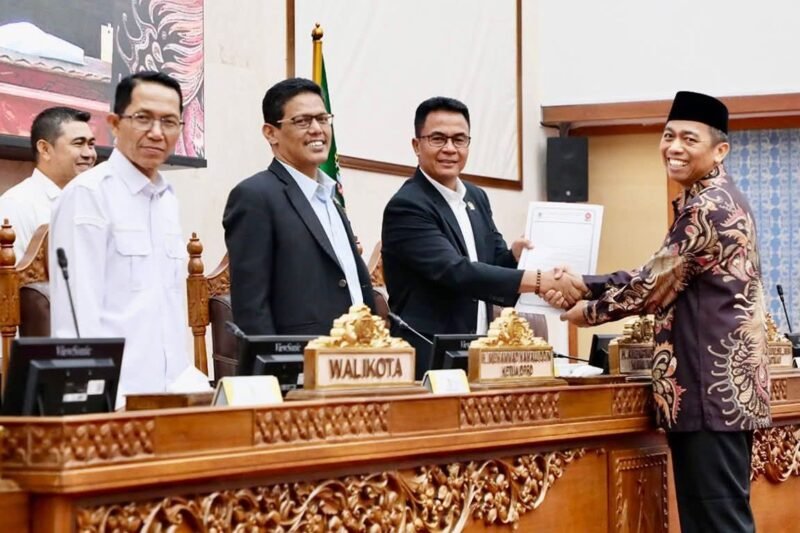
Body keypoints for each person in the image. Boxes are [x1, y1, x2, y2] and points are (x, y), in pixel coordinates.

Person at [556, 91, 770, 533]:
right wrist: (589, 282)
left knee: (717, 522)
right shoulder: (717, 198)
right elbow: (662, 270)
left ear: (719, 149)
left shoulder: (708, 206)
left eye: (688, 139)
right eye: (668, 135)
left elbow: (651, 286)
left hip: (709, 389)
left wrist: (587, 311)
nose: (673, 147)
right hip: (718, 391)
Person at [381, 96, 585, 377]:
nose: (450, 149)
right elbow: (456, 272)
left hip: (478, 349)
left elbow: (492, 260)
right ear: (417, 145)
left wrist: (515, 255)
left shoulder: (476, 197)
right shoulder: (407, 205)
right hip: (429, 355)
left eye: (459, 139)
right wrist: (540, 280)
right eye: (438, 139)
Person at [49, 71, 191, 406]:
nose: (157, 133)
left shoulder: (168, 200)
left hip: (172, 396)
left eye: (169, 122)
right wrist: (92, 404)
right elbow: (75, 321)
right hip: (116, 401)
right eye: (143, 118)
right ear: (114, 123)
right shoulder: (87, 195)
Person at [223, 78, 375, 336]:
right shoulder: (254, 196)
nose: (317, 129)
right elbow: (251, 306)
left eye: (323, 119)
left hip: (355, 358)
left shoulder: (330, 196)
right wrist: (274, 368)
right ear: (271, 133)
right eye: (302, 121)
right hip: (298, 365)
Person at [0, 106, 96, 258]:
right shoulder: (15, 205)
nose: (89, 154)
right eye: (78, 143)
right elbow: (10, 279)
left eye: (91, 144)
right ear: (45, 149)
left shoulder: (95, 202)